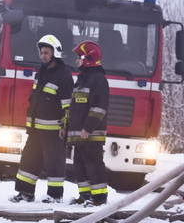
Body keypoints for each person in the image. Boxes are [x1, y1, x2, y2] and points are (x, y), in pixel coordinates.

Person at [10, 35, 74, 203]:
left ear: (55, 53)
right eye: (42, 52)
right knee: (29, 161)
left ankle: (54, 196)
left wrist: (65, 126)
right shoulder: (41, 72)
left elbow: (68, 105)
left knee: (55, 164)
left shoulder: (64, 75)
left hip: (54, 131)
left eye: (46, 52)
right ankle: (25, 193)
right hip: (36, 129)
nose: (43, 56)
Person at [64, 40, 110, 206]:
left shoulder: (98, 80)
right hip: (79, 134)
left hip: (91, 134)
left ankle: (99, 198)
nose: (76, 61)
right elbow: (74, 108)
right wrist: (66, 127)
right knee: (80, 164)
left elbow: (99, 107)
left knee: (94, 164)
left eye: (79, 57)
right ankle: (85, 196)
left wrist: (88, 127)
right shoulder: (82, 79)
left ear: (88, 58)